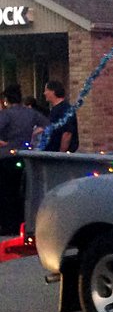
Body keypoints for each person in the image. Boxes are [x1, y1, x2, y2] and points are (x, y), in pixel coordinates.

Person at [0, 84, 50, 235]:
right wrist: (33, 134)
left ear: (6, 99)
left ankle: (8, 225)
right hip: (25, 156)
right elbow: (47, 124)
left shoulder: (7, 114)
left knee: (5, 192)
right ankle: (21, 223)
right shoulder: (30, 113)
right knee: (22, 192)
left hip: (6, 156)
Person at [43, 80, 79, 152]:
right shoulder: (54, 110)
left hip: (58, 155)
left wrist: (61, 154)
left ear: (53, 92)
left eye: (46, 90)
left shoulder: (65, 109)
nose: (44, 93)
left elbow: (67, 133)